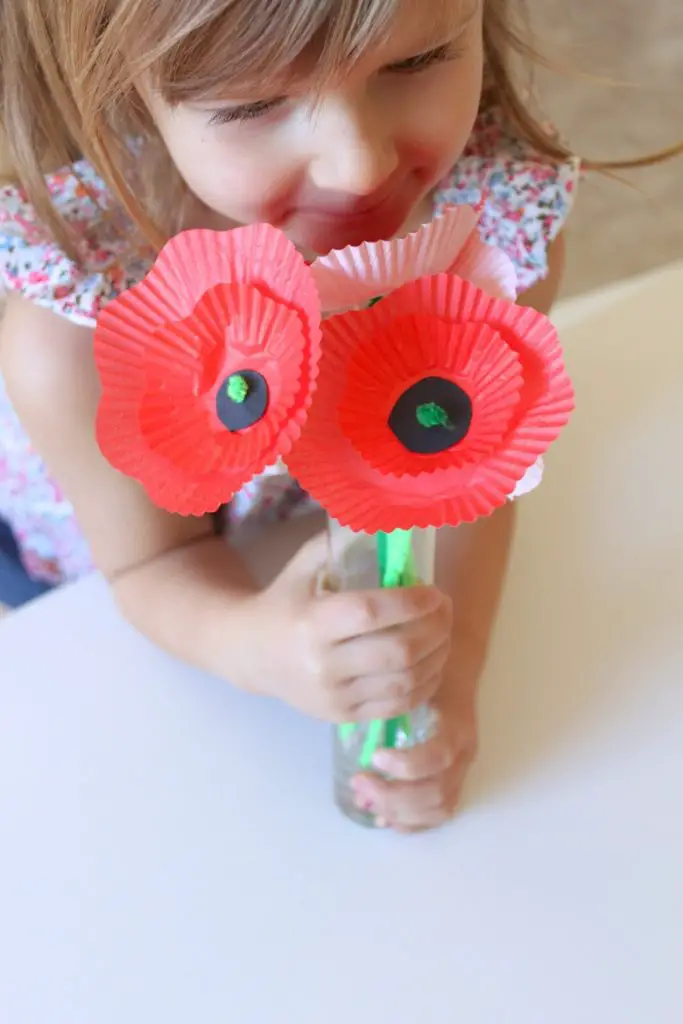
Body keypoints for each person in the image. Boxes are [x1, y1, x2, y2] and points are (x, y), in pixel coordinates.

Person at [0, 0, 678, 830]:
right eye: (252, 106)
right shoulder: (75, 326)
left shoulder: (493, 238)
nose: (359, 166)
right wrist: (254, 645)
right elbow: (147, 569)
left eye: (416, 61)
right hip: (95, 562)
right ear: (127, 96)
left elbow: (470, 484)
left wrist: (448, 679)